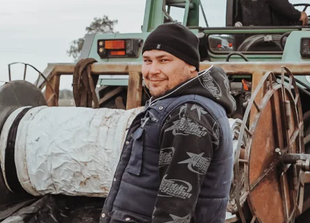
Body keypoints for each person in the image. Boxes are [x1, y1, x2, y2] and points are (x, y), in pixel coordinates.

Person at [100, 22, 236, 223]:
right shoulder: (174, 105)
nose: (152, 70)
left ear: (191, 65)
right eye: (147, 60)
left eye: (164, 60)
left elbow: (174, 209)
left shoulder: (189, 115)